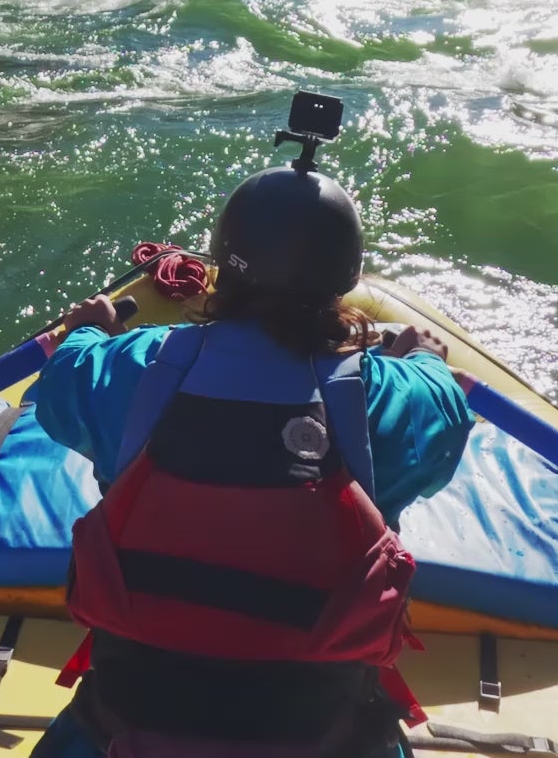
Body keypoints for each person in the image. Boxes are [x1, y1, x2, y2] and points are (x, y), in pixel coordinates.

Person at [30, 159, 476, 757]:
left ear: (222, 263)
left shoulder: (131, 366)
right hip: (324, 737)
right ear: (344, 277)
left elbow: (63, 391)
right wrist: (423, 360)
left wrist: (88, 330)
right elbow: (443, 416)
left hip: (125, 727)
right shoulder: (398, 395)